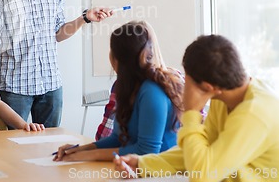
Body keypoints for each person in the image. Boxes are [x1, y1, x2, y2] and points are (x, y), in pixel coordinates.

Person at [114, 34, 279, 182]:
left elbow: (203, 174)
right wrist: (143, 164)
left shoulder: (254, 113)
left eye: (188, 82)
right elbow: (200, 154)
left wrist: (191, 112)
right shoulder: (223, 97)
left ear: (208, 87)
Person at [54, 21, 183, 162]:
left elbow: (147, 151)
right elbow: (117, 138)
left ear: (118, 58)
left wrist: (90, 156)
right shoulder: (124, 86)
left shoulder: (152, 92)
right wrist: (82, 149)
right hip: (136, 169)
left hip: (163, 172)